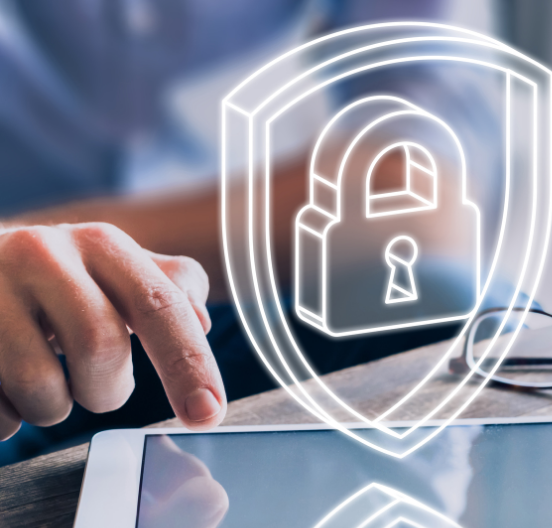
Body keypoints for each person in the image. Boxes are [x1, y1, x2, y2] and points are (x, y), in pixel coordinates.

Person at [0, 0, 505, 465]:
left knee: (463, 317)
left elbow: (414, 189)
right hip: (15, 334)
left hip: (228, 302)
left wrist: (83, 253)